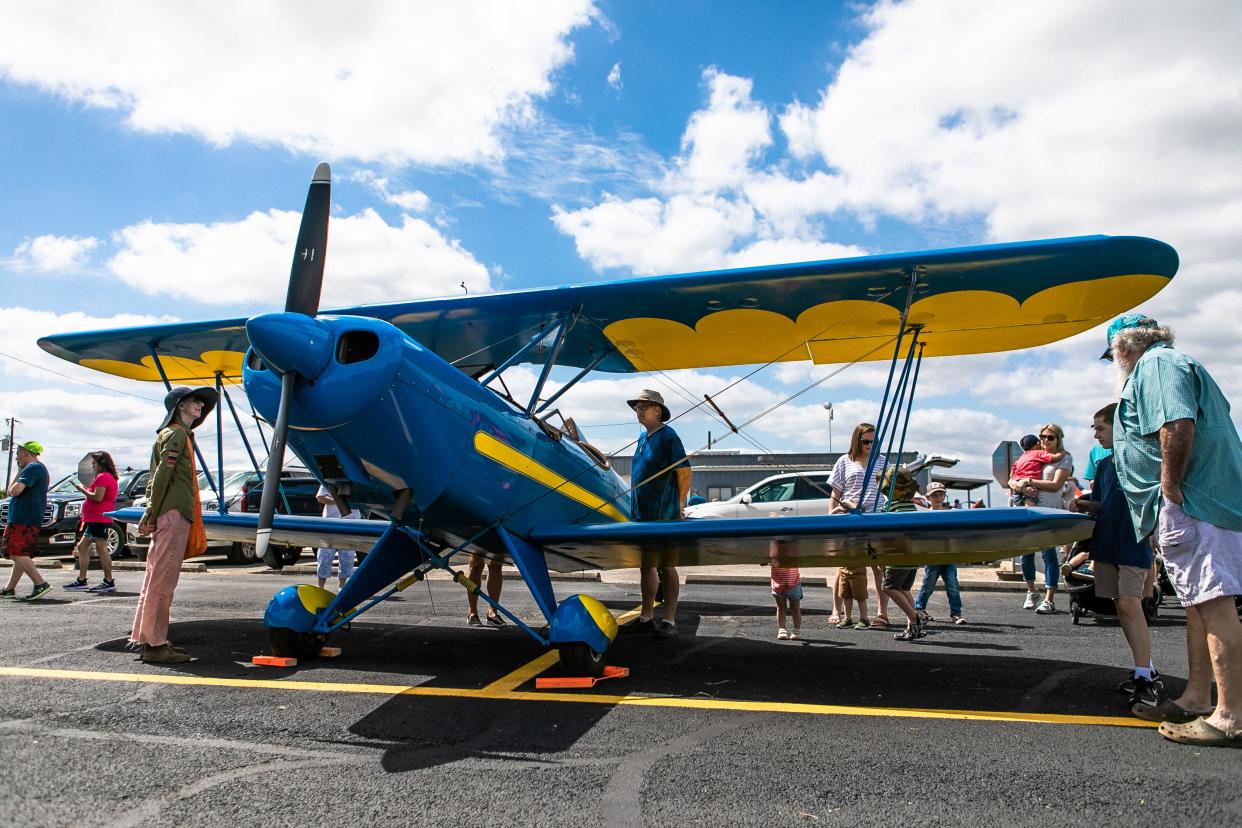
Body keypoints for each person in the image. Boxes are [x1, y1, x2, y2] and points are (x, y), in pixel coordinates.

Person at [1105, 313, 1242, 746]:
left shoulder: (1157, 365)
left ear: (1123, 348)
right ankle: (1199, 698)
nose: (1114, 361)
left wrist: (1171, 491)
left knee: (1214, 602)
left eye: (1112, 353)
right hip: (1197, 502)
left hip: (1194, 502)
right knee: (1200, 602)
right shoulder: (1170, 363)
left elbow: (1178, 424)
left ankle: (1231, 716)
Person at [1068, 402, 1162, 708]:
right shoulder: (1105, 466)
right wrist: (1084, 505)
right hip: (1107, 544)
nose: (1095, 434)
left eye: (1100, 428)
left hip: (1132, 545)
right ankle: (1143, 667)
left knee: (1130, 604)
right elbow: (1103, 505)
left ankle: (1146, 676)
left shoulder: (1142, 460)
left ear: (1120, 426)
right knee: (1121, 608)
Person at [131, 386, 216, 664]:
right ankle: (156, 644)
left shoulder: (171, 434)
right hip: (174, 513)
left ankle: (147, 639)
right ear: (180, 407)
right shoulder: (177, 434)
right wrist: (152, 511)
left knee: (155, 578)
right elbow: (162, 474)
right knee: (163, 580)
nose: (200, 405)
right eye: (194, 401)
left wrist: (152, 511)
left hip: (168, 512)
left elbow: (159, 475)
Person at [619, 390, 691, 639]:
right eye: (636, 407)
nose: (638, 410)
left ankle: (669, 620)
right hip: (642, 514)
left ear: (657, 410)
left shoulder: (668, 436)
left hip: (664, 514)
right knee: (646, 565)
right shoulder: (642, 438)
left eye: (643, 406)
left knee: (666, 565)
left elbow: (684, 471)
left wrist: (680, 504)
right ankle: (646, 616)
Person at [829, 422, 890, 628]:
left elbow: (889, 491)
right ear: (857, 440)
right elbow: (835, 493)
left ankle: (882, 613)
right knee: (844, 567)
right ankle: (837, 610)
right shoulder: (845, 461)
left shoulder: (882, 462)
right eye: (866, 441)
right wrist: (831, 516)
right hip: (849, 517)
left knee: (878, 567)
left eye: (874, 442)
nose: (870, 445)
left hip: (876, 517)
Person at [1009, 423, 1072, 614]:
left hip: (1047, 511)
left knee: (1048, 554)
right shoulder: (1031, 455)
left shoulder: (1064, 459)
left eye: (1050, 437)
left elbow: (1055, 485)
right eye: (1043, 437)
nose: (1045, 440)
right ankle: (1031, 591)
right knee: (1025, 553)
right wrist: (1020, 487)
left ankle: (1049, 598)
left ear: (1059, 439)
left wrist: (1028, 481)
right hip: (1027, 512)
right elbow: (1011, 479)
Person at [1, 440, 52, 601]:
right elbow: (11, 491)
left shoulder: (33, 468)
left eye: (18, 454)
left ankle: (40, 583)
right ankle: (9, 588)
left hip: (23, 518)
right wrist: (19, 470)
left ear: (26, 453)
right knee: (20, 554)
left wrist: (20, 471)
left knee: (14, 551)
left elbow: (14, 491)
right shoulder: (36, 468)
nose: (16, 458)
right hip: (29, 518)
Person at [879, 466, 925, 641]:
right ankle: (913, 628)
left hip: (897, 555)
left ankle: (915, 617)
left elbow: (881, 531)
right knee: (903, 589)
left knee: (888, 587)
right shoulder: (910, 506)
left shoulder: (890, 505)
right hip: (912, 557)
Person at [65, 451, 120, 593]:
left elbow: (97, 497)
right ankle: (82, 580)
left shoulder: (103, 477)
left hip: (99, 519)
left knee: (102, 548)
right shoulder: (106, 477)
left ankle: (109, 581)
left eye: (94, 463)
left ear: (101, 464)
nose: (93, 466)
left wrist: (82, 489)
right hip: (94, 519)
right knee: (82, 547)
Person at [913, 482, 965, 625]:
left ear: (944, 495)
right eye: (935, 495)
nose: (938, 497)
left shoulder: (951, 512)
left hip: (948, 554)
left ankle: (956, 613)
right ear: (928, 497)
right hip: (933, 555)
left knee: (952, 585)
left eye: (941, 494)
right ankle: (920, 609)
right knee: (928, 585)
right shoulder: (924, 515)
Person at [315, 484, 360, 591]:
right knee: (324, 556)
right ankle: (320, 587)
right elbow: (320, 497)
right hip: (330, 523)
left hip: (351, 523)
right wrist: (338, 501)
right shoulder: (329, 481)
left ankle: (342, 587)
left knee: (347, 557)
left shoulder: (356, 481)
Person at [1009, 434, 1067, 506]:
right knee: (1030, 501)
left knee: (1017, 503)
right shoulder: (1038, 453)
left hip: (1017, 483)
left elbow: (1011, 475)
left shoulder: (1019, 459)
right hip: (1028, 483)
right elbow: (1055, 457)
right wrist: (1063, 453)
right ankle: (1030, 515)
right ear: (1037, 444)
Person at [768, 542, 802, 640]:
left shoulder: (793, 548)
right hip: (779, 583)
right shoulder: (773, 548)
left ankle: (796, 630)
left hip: (792, 583)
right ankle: (782, 629)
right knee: (783, 607)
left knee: (793, 607)